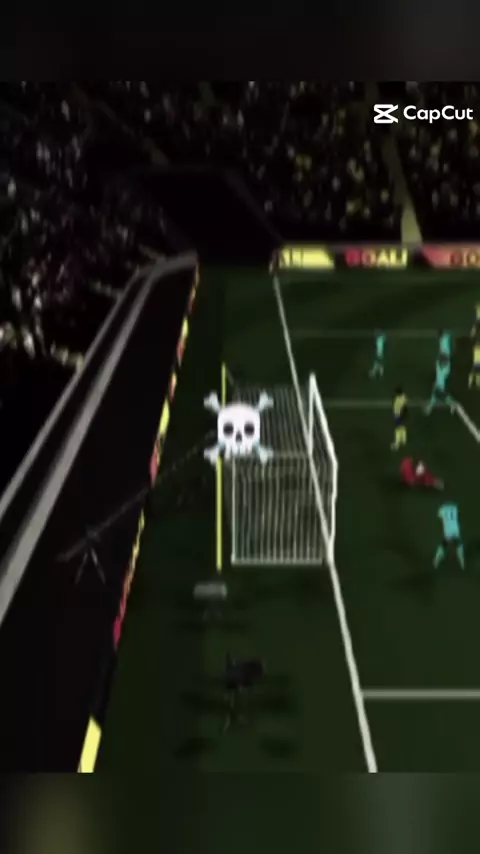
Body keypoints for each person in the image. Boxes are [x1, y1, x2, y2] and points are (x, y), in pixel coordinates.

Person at [433, 501, 465, 570]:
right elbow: (459, 515)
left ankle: (436, 561)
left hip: (447, 531)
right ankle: (462, 562)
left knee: (444, 545)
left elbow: (439, 516)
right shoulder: (455, 508)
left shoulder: (442, 509)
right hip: (456, 530)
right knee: (459, 544)